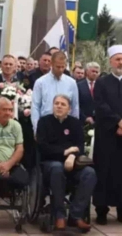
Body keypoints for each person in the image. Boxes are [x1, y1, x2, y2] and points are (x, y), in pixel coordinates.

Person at [92, 45, 122, 226]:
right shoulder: (102, 82)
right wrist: (118, 122)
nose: (121, 62)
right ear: (111, 61)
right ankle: (102, 211)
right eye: (117, 59)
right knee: (105, 172)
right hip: (108, 136)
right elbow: (100, 105)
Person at [37, 94, 96, 233]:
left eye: (63, 104)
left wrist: (72, 156)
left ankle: (76, 216)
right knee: (57, 168)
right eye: (56, 103)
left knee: (89, 173)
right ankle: (59, 215)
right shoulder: (44, 122)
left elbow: (80, 146)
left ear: (69, 109)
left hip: (72, 164)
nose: (59, 106)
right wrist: (64, 152)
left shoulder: (75, 123)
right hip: (49, 164)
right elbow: (43, 146)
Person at [31, 52, 79, 131]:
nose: (60, 70)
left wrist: (75, 128)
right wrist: (36, 128)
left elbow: (75, 106)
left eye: (62, 67)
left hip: (66, 125)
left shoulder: (71, 83)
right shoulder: (40, 82)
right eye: (58, 67)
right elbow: (35, 107)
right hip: (46, 125)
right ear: (51, 64)